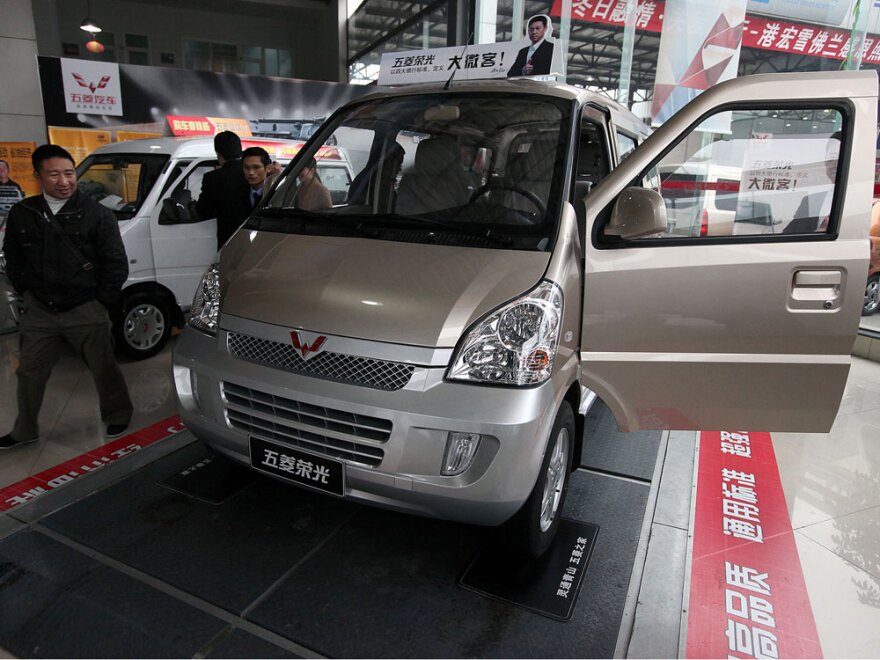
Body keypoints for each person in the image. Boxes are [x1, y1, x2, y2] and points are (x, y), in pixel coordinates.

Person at [0, 144, 133, 450]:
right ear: (38, 176)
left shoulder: (96, 214)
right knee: (29, 372)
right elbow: (13, 257)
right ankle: (24, 430)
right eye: (54, 174)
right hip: (40, 311)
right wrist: (26, 292)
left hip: (86, 307)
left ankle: (118, 414)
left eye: (69, 173)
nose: (64, 181)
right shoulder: (24, 213)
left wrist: (100, 301)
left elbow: (116, 263)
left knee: (104, 368)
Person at [195, 131, 250, 248]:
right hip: (256, 238)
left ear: (218, 153)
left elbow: (203, 211)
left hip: (228, 240)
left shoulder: (212, 178)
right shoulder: (254, 173)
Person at [782, 132, 840, 234]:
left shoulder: (865, 204)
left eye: (841, 158)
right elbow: (788, 234)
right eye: (832, 157)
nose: (836, 163)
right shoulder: (810, 201)